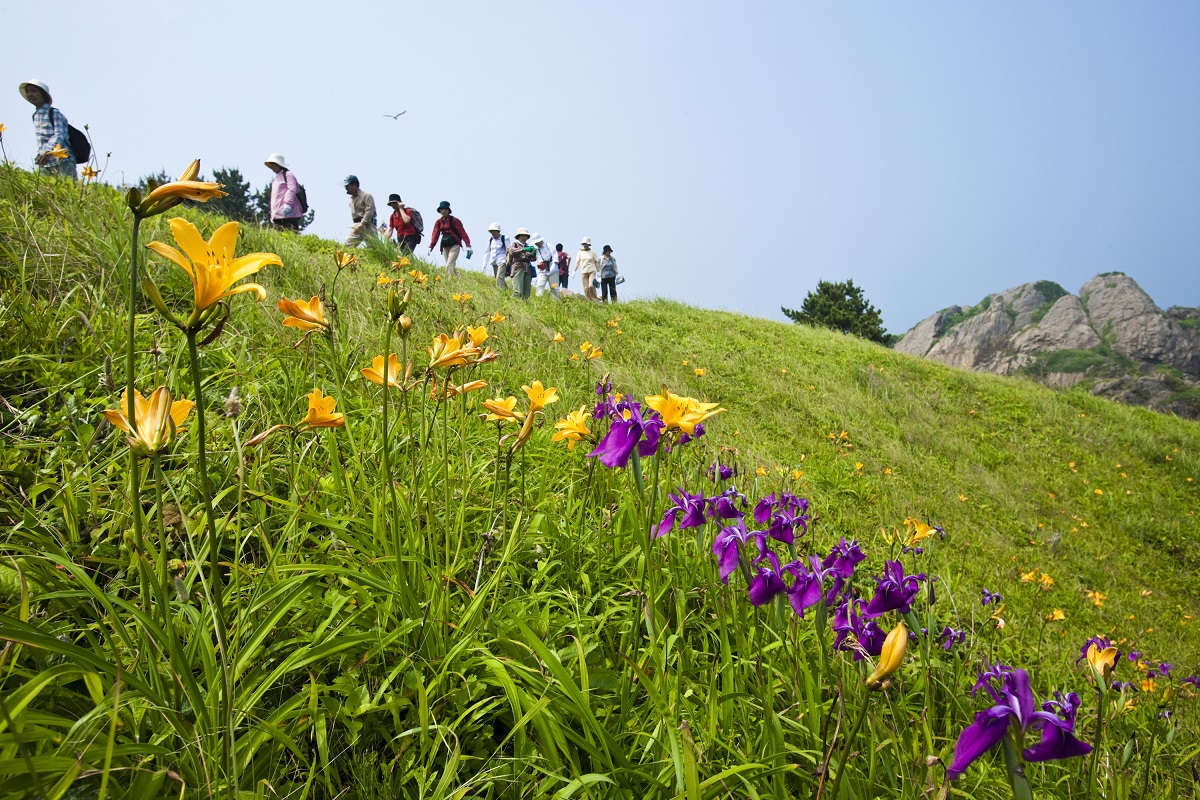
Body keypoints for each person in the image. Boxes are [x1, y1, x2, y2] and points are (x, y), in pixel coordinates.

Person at [19, 80, 75, 179]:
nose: (30, 94)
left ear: (43, 95)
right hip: (45, 163)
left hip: (63, 161)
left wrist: (48, 152)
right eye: (28, 91)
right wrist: (41, 155)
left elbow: (59, 135)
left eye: (34, 91)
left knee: (70, 189)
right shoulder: (35, 116)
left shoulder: (54, 112)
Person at [427, 201, 471, 276]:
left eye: (445, 209)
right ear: (440, 211)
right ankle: (457, 279)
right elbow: (435, 234)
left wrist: (468, 245)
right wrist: (431, 246)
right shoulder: (439, 222)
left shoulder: (454, 220)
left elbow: (462, 232)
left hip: (455, 244)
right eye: (442, 209)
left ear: (448, 210)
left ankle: (450, 281)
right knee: (450, 266)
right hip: (445, 245)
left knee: (449, 265)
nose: (443, 211)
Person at [264, 153, 304, 230]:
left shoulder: (288, 175)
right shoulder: (276, 179)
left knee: (291, 235)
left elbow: (292, 189)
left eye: (273, 164)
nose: (272, 167)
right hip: (278, 215)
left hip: (290, 214)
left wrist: (288, 204)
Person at [342, 175, 377, 247]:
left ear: (354, 185)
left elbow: (369, 211)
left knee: (374, 250)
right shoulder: (351, 200)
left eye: (347, 186)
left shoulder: (366, 196)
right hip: (356, 225)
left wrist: (362, 223)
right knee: (346, 246)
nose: (346, 188)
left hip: (368, 225)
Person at [506, 228, 536, 300]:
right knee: (517, 292)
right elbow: (511, 251)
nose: (524, 238)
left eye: (526, 236)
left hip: (527, 269)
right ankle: (510, 305)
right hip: (517, 268)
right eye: (523, 236)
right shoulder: (514, 244)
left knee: (526, 294)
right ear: (519, 236)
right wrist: (523, 250)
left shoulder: (527, 246)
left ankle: (523, 307)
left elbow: (532, 259)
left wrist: (533, 254)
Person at [532, 234, 560, 299]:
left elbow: (555, 257)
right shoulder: (536, 250)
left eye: (537, 242)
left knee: (554, 287)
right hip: (543, 272)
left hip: (553, 271)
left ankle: (556, 302)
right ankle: (538, 301)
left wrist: (553, 267)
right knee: (539, 286)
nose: (536, 244)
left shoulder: (548, 246)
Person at [483, 223, 509, 289]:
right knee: (498, 278)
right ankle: (506, 291)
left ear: (498, 231)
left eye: (494, 231)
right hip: (494, 261)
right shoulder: (490, 240)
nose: (492, 233)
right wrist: (484, 264)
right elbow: (487, 252)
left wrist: (509, 261)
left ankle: (501, 292)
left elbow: (508, 250)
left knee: (499, 277)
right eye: (491, 231)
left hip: (502, 261)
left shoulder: (504, 238)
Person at [575, 237, 600, 302]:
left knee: (591, 286)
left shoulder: (592, 252)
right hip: (584, 271)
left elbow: (596, 262)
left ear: (588, 244)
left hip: (591, 270)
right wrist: (574, 271)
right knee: (586, 288)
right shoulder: (580, 253)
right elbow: (577, 262)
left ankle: (595, 299)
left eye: (586, 244)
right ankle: (589, 300)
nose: (585, 245)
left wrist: (598, 271)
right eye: (584, 244)